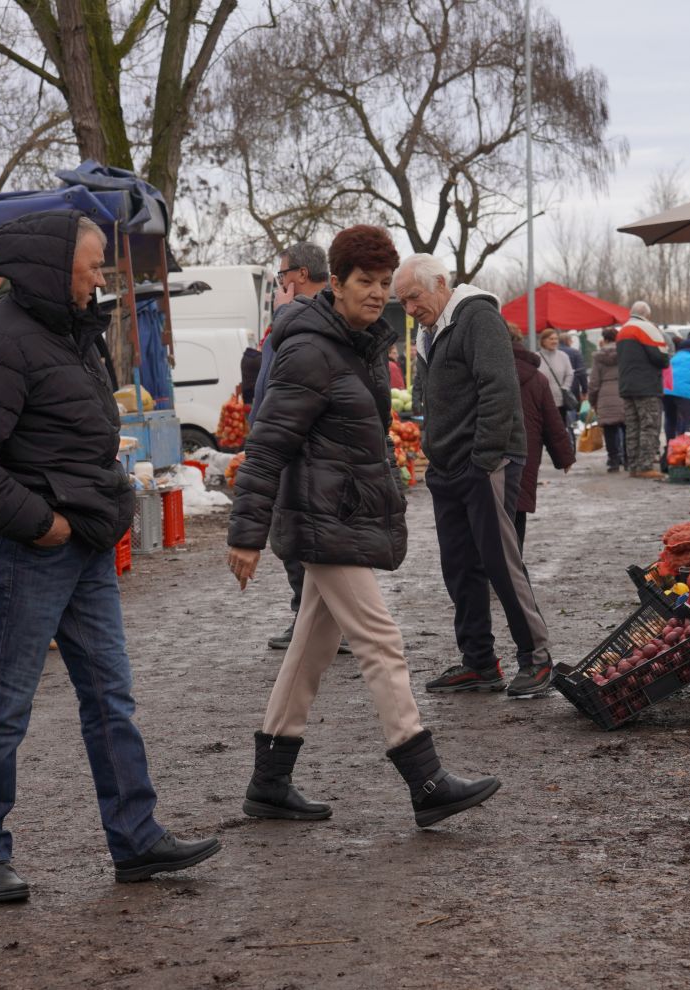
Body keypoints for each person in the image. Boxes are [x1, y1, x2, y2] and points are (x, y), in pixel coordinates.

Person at [0, 210, 220, 899]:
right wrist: (41, 526)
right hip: (31, 552)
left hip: (87, 545)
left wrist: (98, 509)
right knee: (6, 706)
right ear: (52, 267)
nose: (100, 277)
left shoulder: (70, 332)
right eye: (92, 265)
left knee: (109, 697)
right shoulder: (1, 342)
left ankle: (136, 839)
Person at [226, 225, 500, 828]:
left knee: (311, 647)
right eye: (365, 283)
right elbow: (268, 444)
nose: (378, 294)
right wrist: (245, 533)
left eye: (384, 284)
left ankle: (269, 781)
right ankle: (424, 777)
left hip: (341, 514)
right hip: (323, 520)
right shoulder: (310, 350)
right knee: (380, 641)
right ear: (338, 285)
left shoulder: (357, 344)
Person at [393, 253, 556, 699]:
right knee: (460, 568)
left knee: (501, 562)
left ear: (441, 284)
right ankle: (479, 662)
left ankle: (537, 658)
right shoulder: (432, 330)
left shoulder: (477, 317)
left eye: (413, 298)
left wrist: (483, 459)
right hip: (448, 469)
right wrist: (437, 455)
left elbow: (499, 389)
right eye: (402, 302)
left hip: (484, 465)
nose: (409, 309)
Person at [249, 242, 339, 654]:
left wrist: (282, 314)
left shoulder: (306, 316)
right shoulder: (323, 312)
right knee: (301, 538)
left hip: (298, 443)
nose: (281, 280)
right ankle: (314, 620)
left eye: (283, 272)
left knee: (297, 537)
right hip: (298, 440)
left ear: (301, 274)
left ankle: (318, 625)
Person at [511, 326, 575, 550]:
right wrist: (564, 457)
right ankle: (513, 566)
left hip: (486, 454)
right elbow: (552, 422)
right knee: (517, 507)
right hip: (525, 452)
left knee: (489, 510)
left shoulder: (480, 372)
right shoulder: (537, 378)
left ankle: (491, 570)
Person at [616, 300, 670, 479]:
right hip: (647, 387)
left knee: (633, 427)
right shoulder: (646, 328)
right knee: (649, 426)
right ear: (647, 314)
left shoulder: (623, 329)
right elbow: (661, 358)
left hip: (627, 386)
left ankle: (633, 466)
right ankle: (645, 466)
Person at [588, 327, 626, 473]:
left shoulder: (598, 357)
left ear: (604, 340)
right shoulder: (625, 353)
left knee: (610, 430)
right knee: (627, 427)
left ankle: (613, 461)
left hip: (605, 395)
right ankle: (628, 460)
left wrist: (593, 400)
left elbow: (594, 382)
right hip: (624, 392)